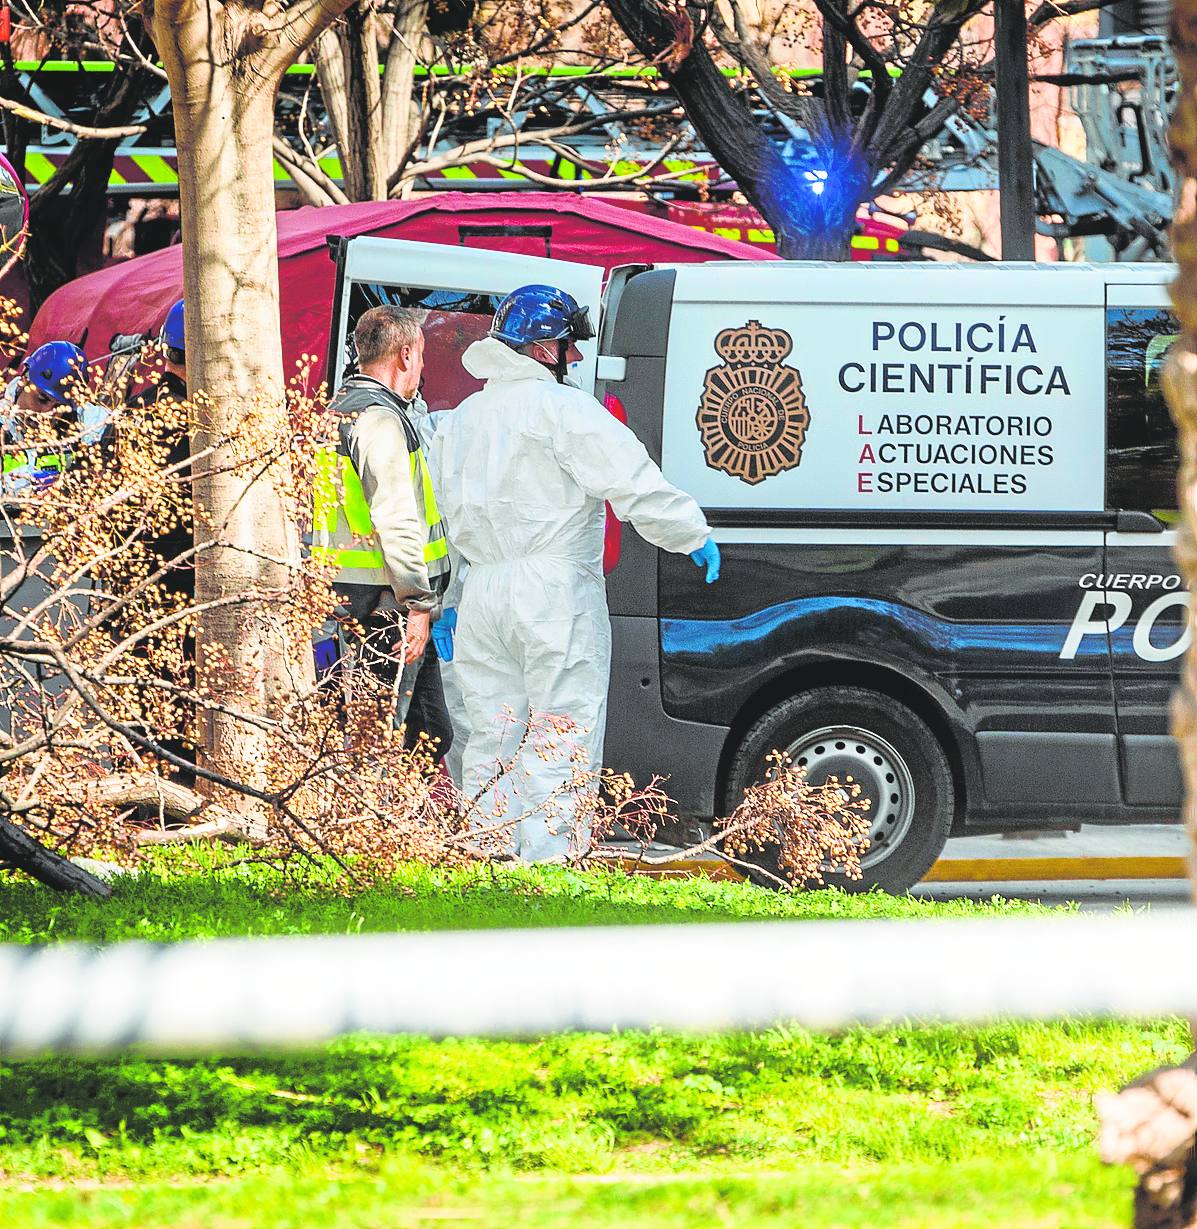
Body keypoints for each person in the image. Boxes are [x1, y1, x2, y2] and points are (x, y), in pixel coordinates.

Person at [426, 283, 721, 863]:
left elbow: (451, 516)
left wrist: (454, 595)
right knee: (561, 725)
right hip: (553, 593)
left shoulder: (459, 421)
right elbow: (630, 479)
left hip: (482, 593)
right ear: (542, 349)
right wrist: (690, 533)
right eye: (570, 346)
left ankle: (490, 854)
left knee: (491, 729)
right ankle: (550, 860)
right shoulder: (561, 410)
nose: (578, 358)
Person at [313, 305, 454, 757]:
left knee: (411, 733)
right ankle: (379, 822)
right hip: (387, 606)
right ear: (406, 355)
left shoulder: (335, 411)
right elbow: (395, 514)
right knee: (405, 739)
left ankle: (387, 821)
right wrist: (418, 603)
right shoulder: (379, 420)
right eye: (424, 357)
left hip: (348, 600)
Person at [1, 341, 108, 495]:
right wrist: (32, 483)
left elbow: (114, 426)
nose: (47, 413)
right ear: (24, 378)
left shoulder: (74, 418)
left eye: (59, 407)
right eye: (42, 399)